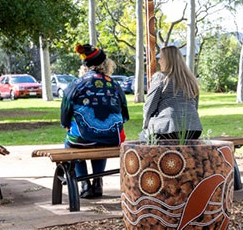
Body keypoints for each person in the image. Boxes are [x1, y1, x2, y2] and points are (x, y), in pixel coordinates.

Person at [59, 44, 129, 199]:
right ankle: (98, 181)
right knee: (101, 137)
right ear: (106, 65)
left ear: (85, 66)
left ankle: (85, 184)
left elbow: (64, 117)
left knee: (73, 142)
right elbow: (125, 116)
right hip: (111, 138)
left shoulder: (74, 85)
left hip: (82, 139)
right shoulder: (115, 85)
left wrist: (67, 125)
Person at [142, 46, 202, 140]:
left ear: (168, 60)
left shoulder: (160, 78)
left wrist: (145, 126)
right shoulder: (191, 80)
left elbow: (149, 106)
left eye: (161, 58)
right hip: (193, 128)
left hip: (168, 128)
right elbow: (195, 106)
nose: (159, 61)